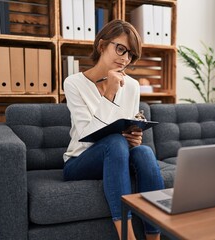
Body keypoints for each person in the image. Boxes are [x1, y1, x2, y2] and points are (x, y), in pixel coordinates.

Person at [62, 19, 164, 240]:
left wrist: (134, 138)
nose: (125, 58)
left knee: (144, 152)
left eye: (130, 54)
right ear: (101, 46)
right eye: (120, 48)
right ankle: (127, 236)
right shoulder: (73, 83)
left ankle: (154, 237)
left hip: (117, 155)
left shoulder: (133, 86)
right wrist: (109, 93)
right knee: (114, 143)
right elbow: (85, 137)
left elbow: (125, 127)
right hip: (80, 161)